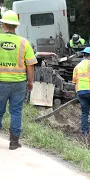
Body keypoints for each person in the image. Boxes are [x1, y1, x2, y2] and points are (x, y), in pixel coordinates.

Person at [0, 10, 38, 150]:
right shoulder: (24, 42)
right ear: (16, 26)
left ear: (3, 25)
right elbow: (30, 64)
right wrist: (30, 82)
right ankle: (14, 142)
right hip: (18, 84)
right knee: (16, 112)